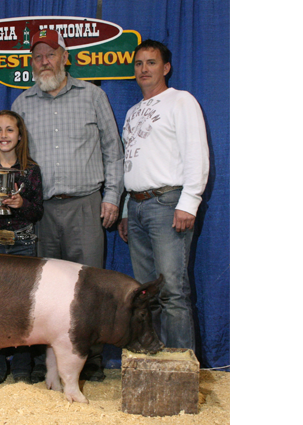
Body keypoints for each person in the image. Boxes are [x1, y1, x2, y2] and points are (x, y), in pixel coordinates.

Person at [11, 29, 124, 382]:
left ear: (65, 57)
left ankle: (90, 361)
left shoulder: (92, 96)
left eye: (50, 54)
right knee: (47, 291)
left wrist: (111, 196)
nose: (44, 62)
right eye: (37, 57)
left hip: (86, 203)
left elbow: (112, 149)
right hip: (41, 210)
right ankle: (51, 365)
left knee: (89, 286)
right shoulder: (22, 104)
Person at [117, 40, 209, 352]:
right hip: (139, 206)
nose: (144, 69)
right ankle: (156, 363)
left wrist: (189, 202)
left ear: (165, 68)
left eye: (151, 63)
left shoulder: (181, 101)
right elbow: (134, 162)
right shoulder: (132, 112)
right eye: (139, 63)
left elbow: (196, 153)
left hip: (168, 204)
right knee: (148, 294)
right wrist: (128, 209)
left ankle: (181, 365)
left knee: (172, 291)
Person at [0, 110, 43, 388]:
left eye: (9, 130)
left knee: (23, 306)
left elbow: (38, 210)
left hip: (23, 242)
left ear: (19, 135)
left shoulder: (31, 170)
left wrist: (21, 205)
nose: (4, 136)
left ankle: (23, 367)